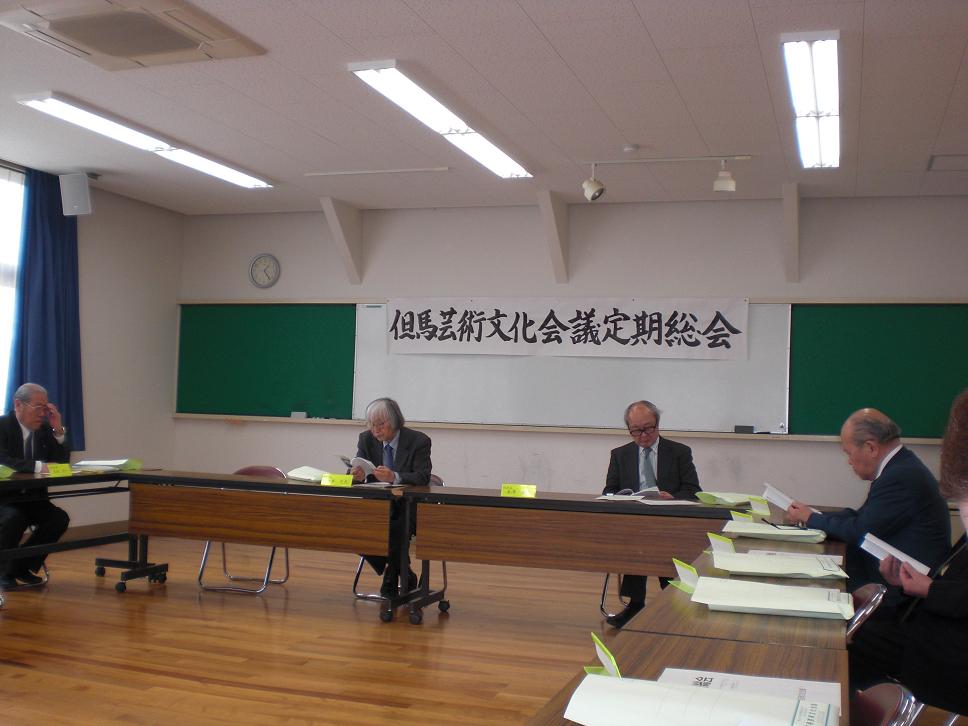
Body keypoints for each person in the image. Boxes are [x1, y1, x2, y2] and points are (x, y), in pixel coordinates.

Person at [848, 390, 968, 714]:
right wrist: (913, 583)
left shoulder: (904, 475)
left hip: (944, 653)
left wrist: (930, 589)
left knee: (845, 644)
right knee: (845, 634)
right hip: (926, 622)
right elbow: (952, 579)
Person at [786, 408, 949, 600]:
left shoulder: (900, 476)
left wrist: (811, 518)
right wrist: (813, 515)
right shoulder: (901, 466)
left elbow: (860, 531)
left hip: (904, 593)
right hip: (893, 577)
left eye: (849, 453)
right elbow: (861, 517)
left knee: (811, 588)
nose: (849, 462)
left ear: (871, 448)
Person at [601, 400, 701, 628]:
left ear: (658, 424)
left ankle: (673, 603)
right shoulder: (620, 454)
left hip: (670, 524)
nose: (643, 435)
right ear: (629, 429)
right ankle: (636, 605)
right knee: (636, 540)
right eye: (636, 430)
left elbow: (694, 491)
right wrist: (623, 497)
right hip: (635, 525)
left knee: (657, 543)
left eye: (648, 428)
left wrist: (672, 497)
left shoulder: (679, 452)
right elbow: (609, 491)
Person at [351, 397, 431, 598]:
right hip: (377, 505)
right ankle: (405, 572)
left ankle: (391, 575)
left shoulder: (418, 441)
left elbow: (422, 477)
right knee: (354, 525)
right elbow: (358, 470)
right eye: (371, 424)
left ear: (394, 421)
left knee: (396, 527)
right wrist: (356, 475)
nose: (375, 430)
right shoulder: (366, 439)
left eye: (380, 424)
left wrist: (394, 476)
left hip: (408, 506)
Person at [0, 383, 71, 589]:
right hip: (5, 498)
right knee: (13, 518)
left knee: (58, 518)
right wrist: (39, 466)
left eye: (45, 408)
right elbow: (3, 460)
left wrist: (58, 430)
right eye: (37, 407)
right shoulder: (2, 426)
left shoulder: (44, 430)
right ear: (18, 405)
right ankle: (3, 572)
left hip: (33, 498)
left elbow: (61, 463)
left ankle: (21, 567)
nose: (42, 414)